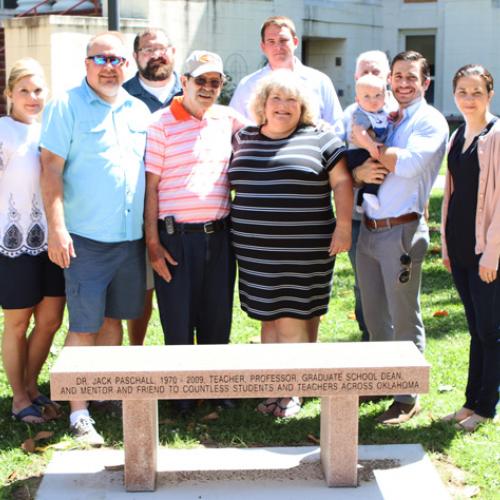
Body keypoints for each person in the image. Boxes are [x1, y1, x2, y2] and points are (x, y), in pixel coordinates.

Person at [40, 32, 150, 445]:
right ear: (87, 64)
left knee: (113, 320)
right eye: (100, 58)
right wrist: (57, 227)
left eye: (117, 59)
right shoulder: (65, 106)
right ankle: (79, 410)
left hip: (129, 238)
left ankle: (106, 394)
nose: (109, 66)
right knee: (84, 324)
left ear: (128, 65)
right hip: (84, 237)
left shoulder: (138, 110)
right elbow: (49, 169)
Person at [229, 69, 353, 418]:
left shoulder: (321, 139)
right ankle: (273, 387)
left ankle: (291, 391)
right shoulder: (244, 138)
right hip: (255, 253)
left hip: (303, 249)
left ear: (303, 107)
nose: (283, 106)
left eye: (292, 100)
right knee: (268, 319)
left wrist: (343, 226)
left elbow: (343, 184)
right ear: (263, 104)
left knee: (291, 319)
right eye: (276, 99)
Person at [144, 51, 247, 416]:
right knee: (178, 317)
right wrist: (153, 244)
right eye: (200, 80)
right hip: (175, 238)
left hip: (220, 235)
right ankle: (183, 394)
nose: (207, 88)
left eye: (215, 82)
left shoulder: (228, 119)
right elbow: (151, 187)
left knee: (217, 314)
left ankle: (217, 388)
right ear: (183, 81)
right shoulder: (160, 124)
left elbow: (262, 135)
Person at [353, 51, 449, 424]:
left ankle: (407, 395)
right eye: (398, 76)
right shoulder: (388, 116)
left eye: (412, 77)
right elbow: (359, 159)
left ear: (426, 83)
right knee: (375, 316)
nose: (403, 83)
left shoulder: (430, 121)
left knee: (404, 315)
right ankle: (380, 380)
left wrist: (373, 147)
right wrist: (362, 168)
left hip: (403, 231)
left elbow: (408, 166)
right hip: (370, 230)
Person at [0, 58, 65, 424]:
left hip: (51, 242)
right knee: (17, 321)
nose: (32, 96)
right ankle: (18, 398)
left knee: (51, 319)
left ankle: (30, 385)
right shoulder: (3, 132)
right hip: (12, 245)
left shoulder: (52, 131)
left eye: (38, 90)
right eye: (23, 90)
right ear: (9, 93)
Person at [440, 64, 500, 432]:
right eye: (462, 91)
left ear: (490, 94)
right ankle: (469, 402)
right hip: (460, 248)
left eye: (476, 92)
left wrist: (492, 254)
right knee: (476, 327)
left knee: (491, 330)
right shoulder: (457, 134)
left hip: (487, 252)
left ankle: (486, 407)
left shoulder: (497, 136)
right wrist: (446, 247)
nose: (469, 99)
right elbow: (452, 195)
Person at [122, 28, 182, 345]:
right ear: (136, 57)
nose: (155, 54)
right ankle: (137, 353)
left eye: (161, 48)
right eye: (147, 49)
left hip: (185, 213)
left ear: (172, 52)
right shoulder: (121, 95)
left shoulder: (192, 90)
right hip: (136, 208)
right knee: (141, 289)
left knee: (186, 291)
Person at [341, 50, 396, 343]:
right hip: (359, 219)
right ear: (356, 79)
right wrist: (359, 176)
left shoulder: (398, 115)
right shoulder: (348, 117)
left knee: (396, 285)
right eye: (364, 72)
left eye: (376, 71)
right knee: (365, 284)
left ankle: (396, 349)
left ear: (387, 79)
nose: (370, 76)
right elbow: (335, 170)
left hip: (396, 219)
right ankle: (369, 341)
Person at [230, 15, 342, 127]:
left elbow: (336, 128)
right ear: (263, 47)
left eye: (283, 40)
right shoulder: (248, 85)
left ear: (295, 42)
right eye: (271, 41)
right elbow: (233, 129)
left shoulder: (320, 82)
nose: (278, 47)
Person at [346, 74, 394, 211]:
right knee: (379, 166)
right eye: (366, 96)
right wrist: (370, 146)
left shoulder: (382, 112)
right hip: (357, 153)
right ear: (358, 100)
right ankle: (370, 193)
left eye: (378, 95)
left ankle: (361, 200)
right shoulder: (361, 114)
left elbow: (387, 121)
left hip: (367, 150)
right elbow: (359, 131)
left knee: (380, 167)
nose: (373, 100)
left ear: (385, 96)